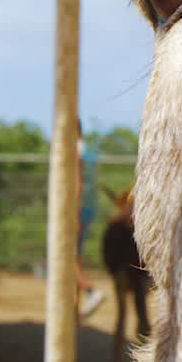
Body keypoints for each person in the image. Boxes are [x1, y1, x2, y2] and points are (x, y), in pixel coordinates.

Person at [76, 119, 105, 319]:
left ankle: (91, 291)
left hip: (77, 209)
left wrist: (71, 211)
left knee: (66, 258)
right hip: (87, 208)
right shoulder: (87, 151)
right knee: (73, 256)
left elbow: (78, 181)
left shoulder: (75, 151)